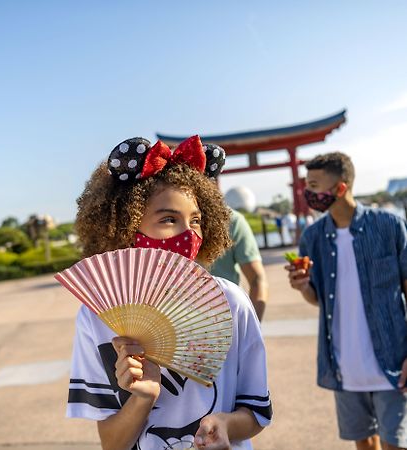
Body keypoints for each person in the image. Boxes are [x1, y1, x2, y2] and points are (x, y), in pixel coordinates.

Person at [68, 135, 272, 450]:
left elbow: (257, 411)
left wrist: (227, 424)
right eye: (168, 219)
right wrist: (143, 397)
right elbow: (111, 443)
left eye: (196, 220)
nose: (188, 234)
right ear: (126, 227)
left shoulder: (230, 302)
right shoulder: (96, 316)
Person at [286, 152, 407, 450]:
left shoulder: (390, 226)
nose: (308, 193)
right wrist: (302, 287)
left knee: (396, 444)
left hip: (392, 362)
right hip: (342, 365)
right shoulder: (313, 237)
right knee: (364, 444)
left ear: (340, 188)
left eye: (314, 185)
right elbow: (319, 300)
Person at [210, 207, 269, 320]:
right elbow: (257, 280)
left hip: (227, 321)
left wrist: (249, 329)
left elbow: (257, 280)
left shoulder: (232, 220)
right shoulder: (234, 219)